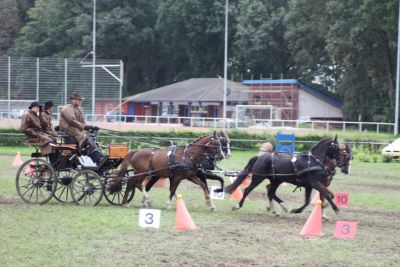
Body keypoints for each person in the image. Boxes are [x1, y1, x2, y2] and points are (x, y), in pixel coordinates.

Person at [59, 91, 105, 165]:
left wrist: (90, 128)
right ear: (73, 99)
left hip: (75, 131)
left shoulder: (78, 109)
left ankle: (100, 158)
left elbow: (82, 123)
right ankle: (98, 160)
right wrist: (85, 126)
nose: (80, 101)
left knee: (91, 139)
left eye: (80, 100)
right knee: (87, 139)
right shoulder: (66, 109)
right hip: (68, 131)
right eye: (78, 99)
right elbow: (72, 121)